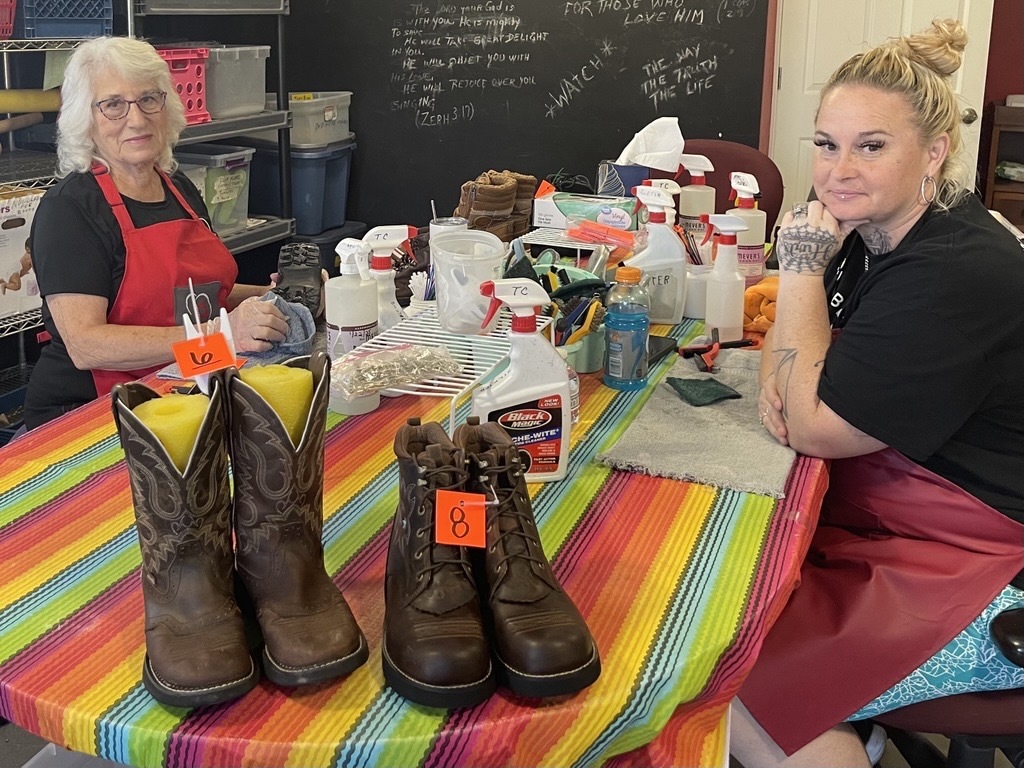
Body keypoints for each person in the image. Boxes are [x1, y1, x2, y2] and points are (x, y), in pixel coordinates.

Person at [731, 19, 1024, 768]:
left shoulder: (954, 267)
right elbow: (786, 369)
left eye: (871, 145)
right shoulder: (870, 232)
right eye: (827, 144)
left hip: (985, 558)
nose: (837, 171)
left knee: (733, 680)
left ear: (933, 153)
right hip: (896, 523)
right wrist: (800, 391)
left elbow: (811, 420)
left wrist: (796, 270)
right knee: (728, 606)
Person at [24, 36, 289, 429]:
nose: (136, 119)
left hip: (178, 386)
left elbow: (191, 296)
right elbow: (87, 346)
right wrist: (218, 334)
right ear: (86, 119)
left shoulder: (177, 187)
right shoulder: (70, 208)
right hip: (88, 412)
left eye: (149, 98)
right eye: (113, 104)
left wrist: (273, 298)